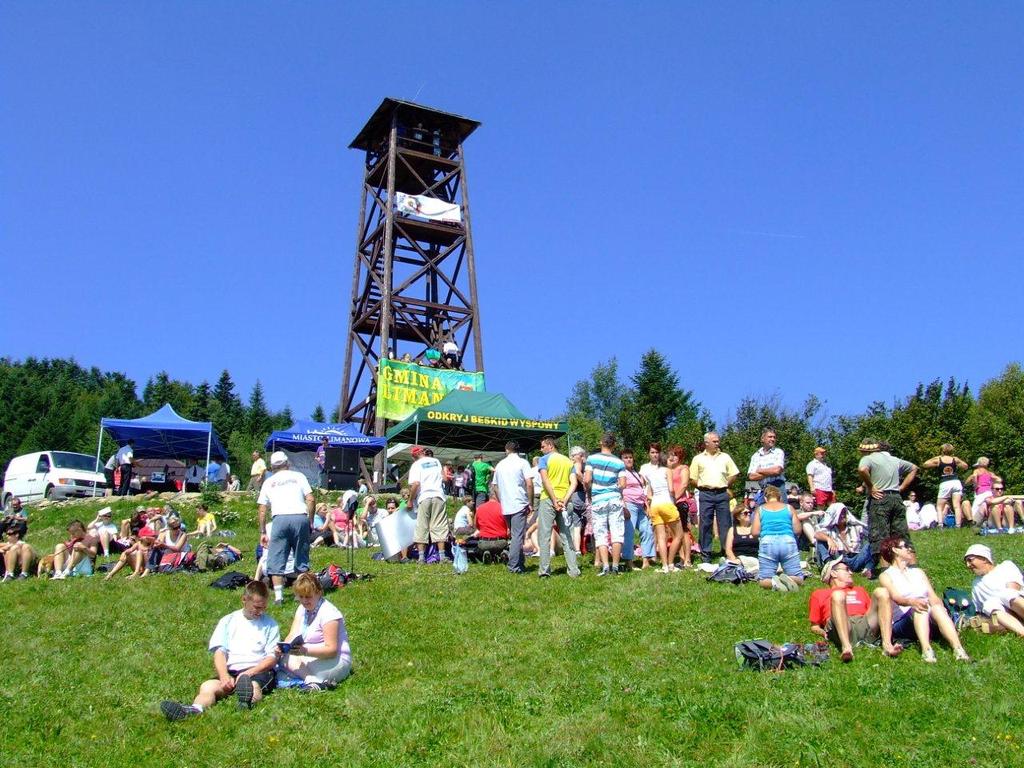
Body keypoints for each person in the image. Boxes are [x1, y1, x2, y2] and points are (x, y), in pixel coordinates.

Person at [160, 580, 281, 720]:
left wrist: (248, 673)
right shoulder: (228, 621)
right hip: (232, 671)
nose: (260, 612)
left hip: (257, 670)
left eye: (264, 608)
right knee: (208, 686)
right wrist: (224, 676)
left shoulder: (271, 625)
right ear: (244, 600)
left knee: (254, 686)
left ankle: (246, 701)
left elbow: (271, 659)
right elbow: (220, 652)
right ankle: (195, 709)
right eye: (257, 607)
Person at [877, 536, 971, 662]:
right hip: (903, 620)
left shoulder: (918, 572)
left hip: (927, 613)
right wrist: (912, 602)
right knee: (920, 608)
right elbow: (897, 598)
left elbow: (933, 597)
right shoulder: (886, 575)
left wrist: (942, 610)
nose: (909, 549)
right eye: (904, 546)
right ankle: (927, 650)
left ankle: (958, 648)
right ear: (895, 550)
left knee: (937, 608)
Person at [808, 559, 903, 662]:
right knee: (838, 595)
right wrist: (823, 633)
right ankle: (846, 647)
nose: (851, 572)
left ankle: (887, 645)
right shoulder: (819, 594)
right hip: (841, 626)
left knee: (882, 591)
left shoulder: (859, 590)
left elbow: (873, 612)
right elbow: (814, 626)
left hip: (863, 623)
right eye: (847, 569)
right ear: (833, 573)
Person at [257, 451, 315, 605]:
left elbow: (262, 509)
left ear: (272, 466)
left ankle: (279, 597)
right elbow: (310, 499)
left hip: (280, 518)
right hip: (299, 516)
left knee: (276, 557)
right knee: (301, 558)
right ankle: (300, 595)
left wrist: (263, 531)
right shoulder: (299, 476)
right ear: (287, 463)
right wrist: (309, 521)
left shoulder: (268, 482)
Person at [279, 572, 352, 690]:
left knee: (289, 662)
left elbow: (331, 650)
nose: (304, 601)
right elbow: (292, 634)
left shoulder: (329, 613)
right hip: (309, 656)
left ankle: (311, 680)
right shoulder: (302, 609)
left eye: (308, 597)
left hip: (336, 660)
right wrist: (283, 648)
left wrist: (305, 651)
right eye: (301, 597)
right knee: (283, 659)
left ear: (319, 592)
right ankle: (313, 681)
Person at [857, 439, 917, 574]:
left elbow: (862, 469)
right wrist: (901, 487)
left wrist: (871, 487)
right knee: (902, 535)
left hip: (880, 499)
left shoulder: (868, 458)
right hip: (896, 498)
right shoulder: (894, 459)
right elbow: (914, 468)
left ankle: (887, 571)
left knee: (880, 537)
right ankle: (914, 569)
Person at [689, 432, 740, 563]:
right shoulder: (698, 459)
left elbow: (734, 473)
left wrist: (725, 484)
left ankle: (726, 551)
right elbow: (692, 478)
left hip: (722, 493)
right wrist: (703, 486)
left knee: (725, 523)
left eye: (718, 441)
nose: (718, 443)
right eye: (715, 441)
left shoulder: (725, 457)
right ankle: (706, 553)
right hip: (705, 493)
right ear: (707, 443)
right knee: (705, 524)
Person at [535, 436, 579, 578]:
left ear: (550, 446)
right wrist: (564, 500)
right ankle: (573, 570)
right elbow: (574, 483)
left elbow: (545, 479)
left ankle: (544, 571)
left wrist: (554, 499)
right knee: (567, 536)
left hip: (548, 499)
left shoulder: (544, 460)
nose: (541, 449)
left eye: (543, 446)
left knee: (544, 536)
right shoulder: (568, 461)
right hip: (566, 500)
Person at [585, 433, 627, 576]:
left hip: (598, 499)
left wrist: (590, 493)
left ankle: (605, 567)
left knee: (601, 533)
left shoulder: (591, 459)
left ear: (601, 442)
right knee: (617, 532)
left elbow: (587, 479)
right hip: (614, 498)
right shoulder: (619, 463)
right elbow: (623, 484)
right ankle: (615, 566)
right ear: (614, 445)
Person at [964, 543, 1024, 638]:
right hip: (1004, 615)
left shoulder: (1006, 566)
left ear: (984, 558)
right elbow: (980, 611)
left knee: (1006, 594)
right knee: (989, 605)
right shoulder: (976, 584)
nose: (968, 565)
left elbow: (1014, 589)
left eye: (970, 560)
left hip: (1018, 604)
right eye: (966, 562)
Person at [750, 485, 803, 591]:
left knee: (764, 579)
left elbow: (755, 532)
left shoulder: (760, 509)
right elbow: (797, 530)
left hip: (768, 543)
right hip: (788, 542)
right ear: (780, 497)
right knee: (798, 577)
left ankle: (775, 583)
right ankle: (788, 579)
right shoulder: (789, 508)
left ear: (765, 498)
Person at [491, 441, 533, 574]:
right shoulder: (523, 463)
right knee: (517, 536)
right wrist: (530, 502)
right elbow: (529, 483)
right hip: (519, 502)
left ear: (506, 449)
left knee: (515, 535)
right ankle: (513, 566)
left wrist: (500, 500)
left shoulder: (500, 464)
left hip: (506, 504)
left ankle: (520, 563)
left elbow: (494, 486)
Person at [408, 446, 449, 564]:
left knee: (422, 526)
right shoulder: (436, 461)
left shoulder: (416, 465)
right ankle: (442, 556)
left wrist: (410, 500)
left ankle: (421, 558)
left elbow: (416, 483)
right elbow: (445, 478)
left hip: (424, 496)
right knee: (439, 525)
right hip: (438, 495)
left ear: (414, 456)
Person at [814, 502, 872, 576]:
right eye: (840, 514)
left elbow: (870, 534)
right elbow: (816, 534)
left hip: (855, 558)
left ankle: (868, 569)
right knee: (820, 541)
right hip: (838, 559)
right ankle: (830, 566)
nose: (843, 516)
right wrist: (829, 539)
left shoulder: (856, 527)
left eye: (844, 513)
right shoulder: (829, 529)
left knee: (872, 545)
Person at [921, 444, 970, 527]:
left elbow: (925, 464)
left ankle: (940, 524)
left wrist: (937, 464)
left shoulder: (939, 459)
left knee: (939, 506)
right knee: (957, 505)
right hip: (955, 481)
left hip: (945, 482)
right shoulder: (955, 459)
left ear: (942, 450)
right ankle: (958, 525)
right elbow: (965, 466)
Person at [620, 449, 652, 570]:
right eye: (625, 457)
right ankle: (629, 561)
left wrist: (647, 506)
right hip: (629, 504)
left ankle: (646, 560)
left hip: (640, 504)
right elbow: (619, 490)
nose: (628, 459)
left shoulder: (636, 473)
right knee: (629, 532)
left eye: (630, 457)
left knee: (647, 530)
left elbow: (643, 490)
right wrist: (624, 506)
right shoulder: (621, 473)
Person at [748, 428, 787, 504]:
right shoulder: (755, 456)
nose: (772, 439)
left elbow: (777, 470)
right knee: (764, 514)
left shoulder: (778, 452)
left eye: (774, 437)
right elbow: (751, 476)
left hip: (778, 486)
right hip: (764, 489)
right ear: (762, 439)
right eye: (770, 437)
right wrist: (770, 472)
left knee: (781, 512)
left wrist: (760, 470)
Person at [563, 447, 588, 556]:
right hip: (580, 495)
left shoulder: (569, 466)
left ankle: (577, 550)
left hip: (573, 496)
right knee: (586, 522)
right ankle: (588, 547)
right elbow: (578, 473)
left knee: (576, 524)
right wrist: (586, 484)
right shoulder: (578, 464)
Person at [964, 457, 1001, 527]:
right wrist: (992, 481)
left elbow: (974, 476)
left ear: (979, 464)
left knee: (975, 507)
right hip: (989, 492)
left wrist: (975, 484)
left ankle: (973, 522)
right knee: (988, 506)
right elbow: (999, 479)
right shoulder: (990, 473)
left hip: (980, 492)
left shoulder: (977, 471)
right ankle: (989, 520)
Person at [723, 503, 759, 574]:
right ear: (738, 517)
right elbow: (728, 549)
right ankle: (735, 566)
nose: (748, 514)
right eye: (745, 513)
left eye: (750, 512)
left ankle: (731, 566)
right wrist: (735, 560)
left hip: (753, 559)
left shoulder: (755, 529)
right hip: (737, 558)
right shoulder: (732, 530)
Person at [474, 491, 509, 562]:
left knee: (480, 548)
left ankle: (486, 553)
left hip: (484, 542)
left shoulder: (480, 508)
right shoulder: (503, 508)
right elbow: (508, 529)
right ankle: (503, 553)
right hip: (500, 542)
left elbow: (476, 526)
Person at [0, 515, 36, 580]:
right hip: (12, 563)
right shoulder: (7, 544)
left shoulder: (21, 543)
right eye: (7, 534)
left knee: (16, 548)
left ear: (17, 535)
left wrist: (4, 549)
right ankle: (9, 574)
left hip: (20, 562)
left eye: (10, 534)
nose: (7, 536)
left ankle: (22, 573)